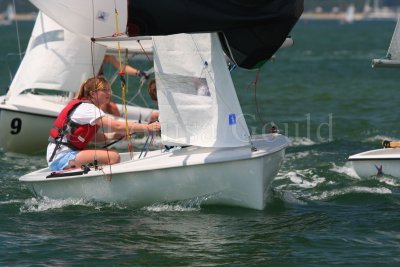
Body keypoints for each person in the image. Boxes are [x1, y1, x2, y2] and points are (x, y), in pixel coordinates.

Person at [47, 76, 161, 172]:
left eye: (109, 90)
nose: (109, 93)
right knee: (113, 157)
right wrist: (147, 127)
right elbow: (116, 125)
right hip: (61, 157)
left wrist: (112, 136)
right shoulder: (87, 109)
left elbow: (92, 138)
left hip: (67, 155)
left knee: (112, 157)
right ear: (93, 93)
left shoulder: (91, 109)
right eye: (105, 90)